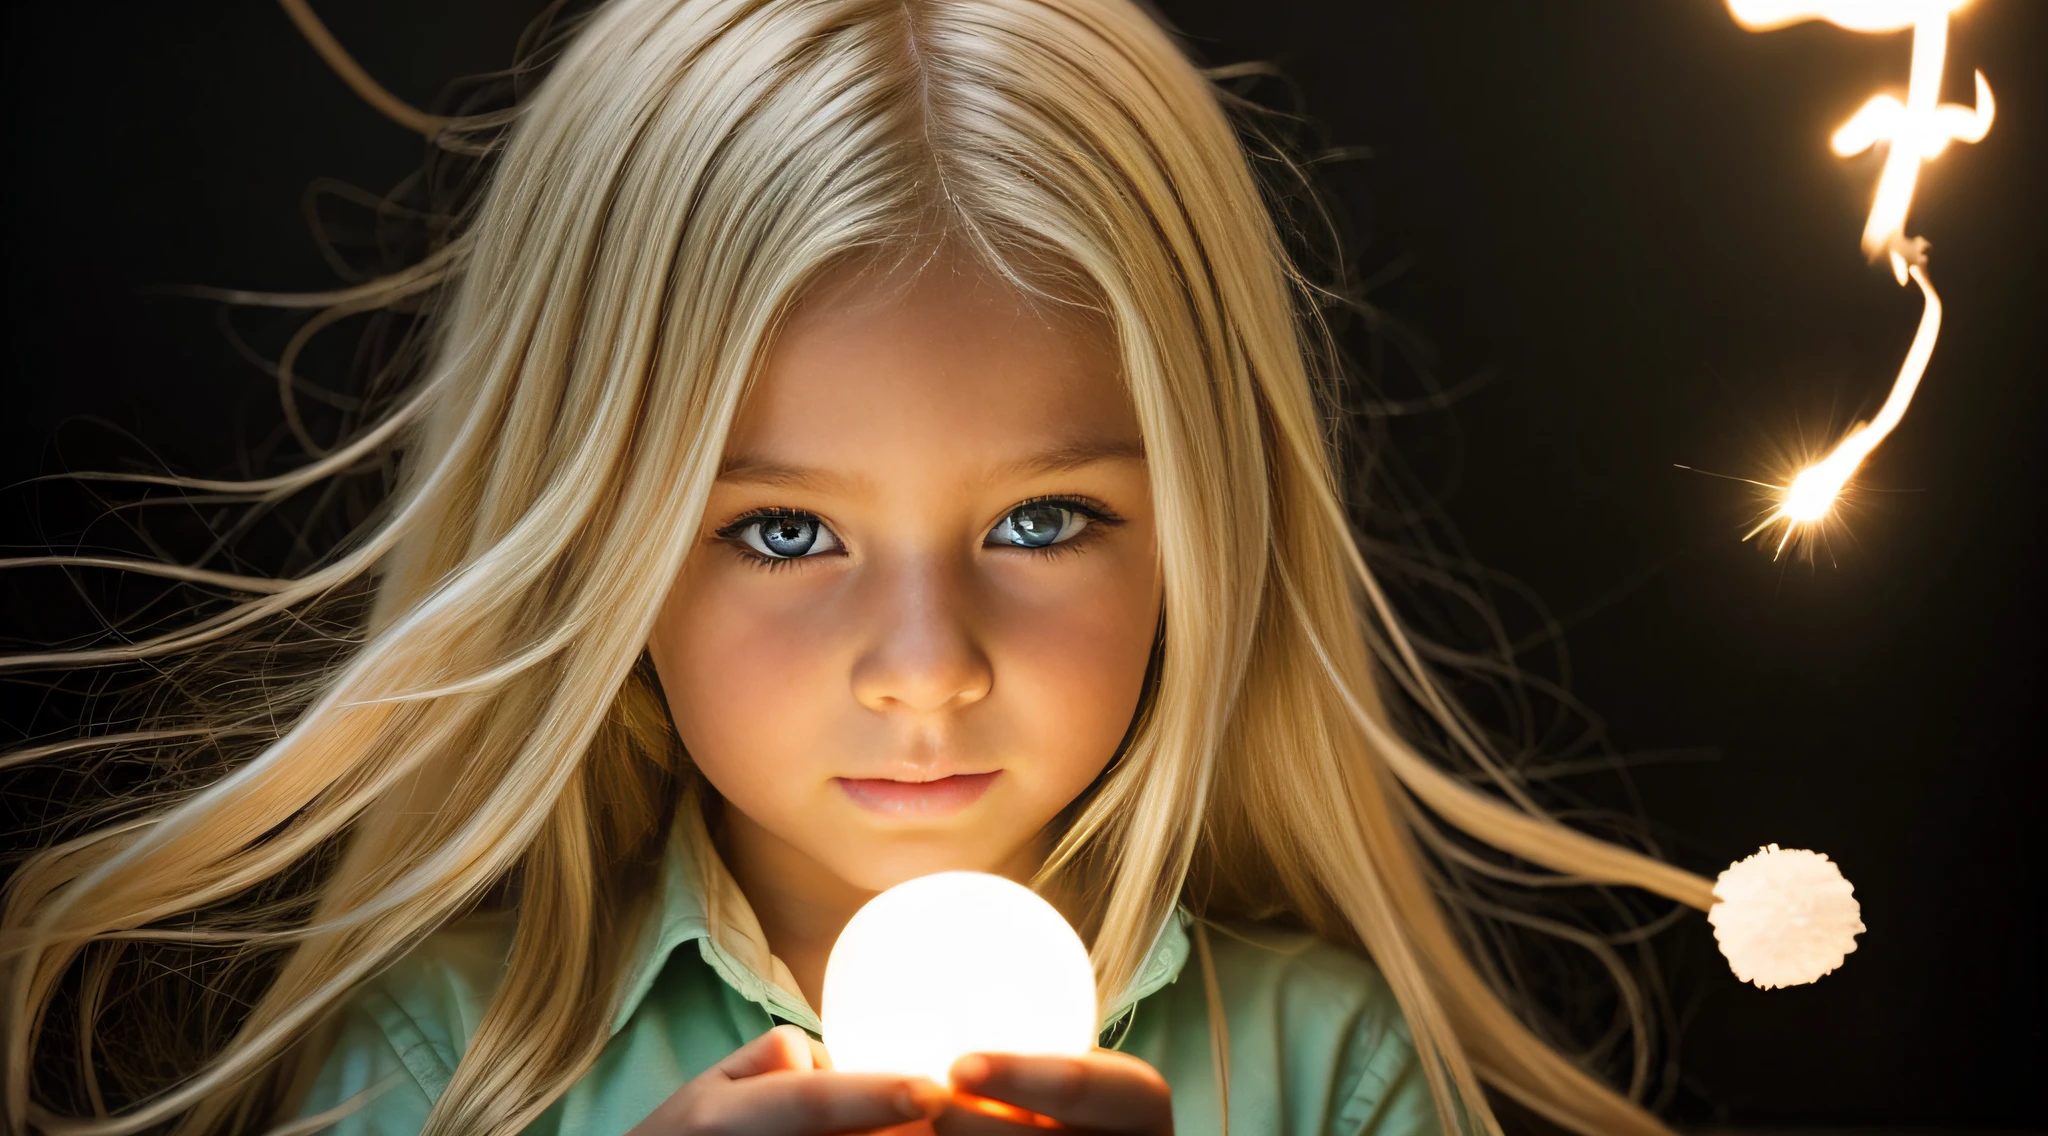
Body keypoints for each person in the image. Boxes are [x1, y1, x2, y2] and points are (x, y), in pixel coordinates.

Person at [1, 0, 1728, 1133]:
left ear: (1205, 526)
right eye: (781, 532)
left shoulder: (1330, 1078)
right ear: (595, 547)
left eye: (1043, 523)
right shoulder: (440, 1068)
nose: (926, 666)